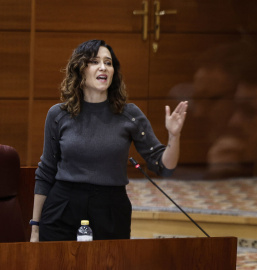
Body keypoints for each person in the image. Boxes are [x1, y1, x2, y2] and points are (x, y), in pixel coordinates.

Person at [30, 39, 188, 242]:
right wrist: (35, 227)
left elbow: (163, 166)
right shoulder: (58, 115)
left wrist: (174, 136)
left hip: (111, 210)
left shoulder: (129, 115)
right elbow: (46, 172)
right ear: (80, 69)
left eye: (109, 62)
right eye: (95, 61)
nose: (103, 67)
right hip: (63, 208)